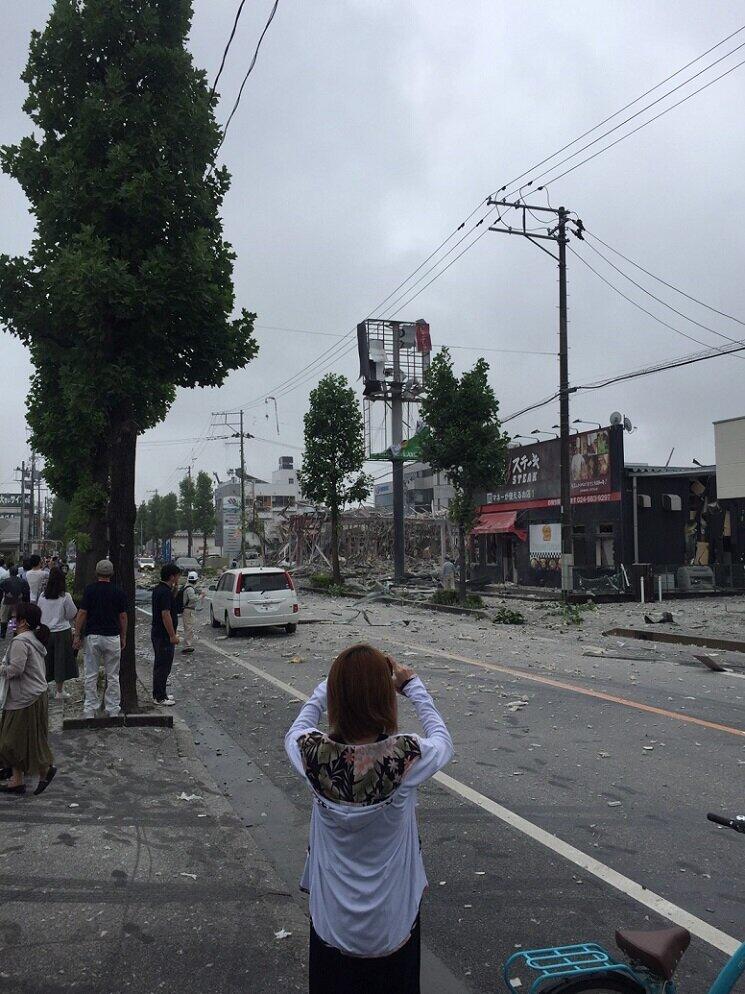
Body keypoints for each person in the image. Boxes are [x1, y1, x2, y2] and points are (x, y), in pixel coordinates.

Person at [285, 644, 453, 994]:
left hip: (332, 924)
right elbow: (443, 740)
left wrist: (330, 685)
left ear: (335, 698)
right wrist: (413, 685)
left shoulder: (312, 755)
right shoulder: (405, 757)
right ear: (385, 699)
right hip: (393, 925)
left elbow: (298, 725)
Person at [0, 601, 57, 795]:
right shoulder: (33, 638)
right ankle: (17, 780)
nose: (13, 621)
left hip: (24, 697)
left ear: (23, 621)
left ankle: (45, 770)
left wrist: (1, 669)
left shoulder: (20, 641)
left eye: (16, 618)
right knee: (23, 739)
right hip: (33, 694)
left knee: (12, 741)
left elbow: (16, 669)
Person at [73, 559, 127, 719]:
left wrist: (77, 634)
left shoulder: (90, 590)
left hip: (93, 636)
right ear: (111, 574)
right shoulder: (118, 591)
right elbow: (123, 616)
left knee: (91, 674)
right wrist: (123, 636)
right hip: (112, 636)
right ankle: (113, 709)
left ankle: (90, 709)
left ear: (97, 573)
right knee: (113, 675)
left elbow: (82, 613)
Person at [38, 566, 78, 701]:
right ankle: (60, 691)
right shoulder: (65, 597)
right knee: (60, 661)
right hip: (62, 631)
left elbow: (39, 612)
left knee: (45, 660)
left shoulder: (43, 596)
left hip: (45, 632)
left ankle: (45, 687)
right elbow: (72, 613)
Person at [152, 563, 180, 705]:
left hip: (158, 633)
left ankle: (160, 693)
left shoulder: (160, 589)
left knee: (161, 664)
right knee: (163, 665)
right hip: (163, 635)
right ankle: (160, 696)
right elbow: (165, 614)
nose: (178, 578)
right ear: (171, 576)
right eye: (177, 576)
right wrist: (172, 635)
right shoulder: (164, 592)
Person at [0, 566, 30, 639]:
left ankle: (3, 634)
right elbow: (27, 589)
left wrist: (7, 592)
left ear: (10, 572)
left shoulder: (6, 581)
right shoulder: (22, 581)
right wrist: (22, 594)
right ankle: (13, 632)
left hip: (7, 601)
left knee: (4, 618)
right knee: (14, 617)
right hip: (17, 601)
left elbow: (0, 586)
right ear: (17, 572)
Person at [180, 571, 198, 654]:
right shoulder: (190, 589)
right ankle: (187, 646)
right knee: (189, 628)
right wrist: (200, 596)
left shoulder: (186, 587)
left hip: (186, 609)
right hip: (188, 610)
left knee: (188, 627)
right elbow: (193, 599)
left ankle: (187, 645)